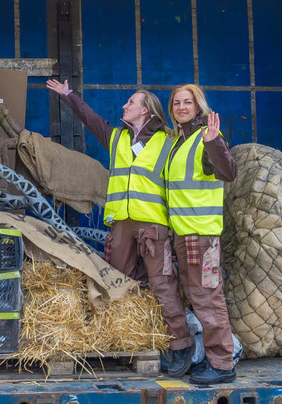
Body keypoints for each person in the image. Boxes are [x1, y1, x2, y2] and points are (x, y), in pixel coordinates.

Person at [45, 79, 196, 377]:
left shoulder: (169, 142)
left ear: (147, 110)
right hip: (122, 225)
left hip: (154, 225)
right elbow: (91, 120)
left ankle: (182, 346)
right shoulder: (116, 138)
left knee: (162, 284)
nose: (124, 106)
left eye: (130, 102)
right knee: (117, 282)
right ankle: (127, 339)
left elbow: (183, 181)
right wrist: (68, 95)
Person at [165, 84, 238, 385]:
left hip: (202, 236)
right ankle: (215, 359)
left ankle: (222, 364)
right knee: (200, 296)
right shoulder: (179, 141)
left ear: (198, 107)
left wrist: (214, 143)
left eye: (188, 102)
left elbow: (228, 172)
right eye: (177, 103)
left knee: (208, 297)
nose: (182, 107)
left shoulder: (205, 138)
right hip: (186, 236)